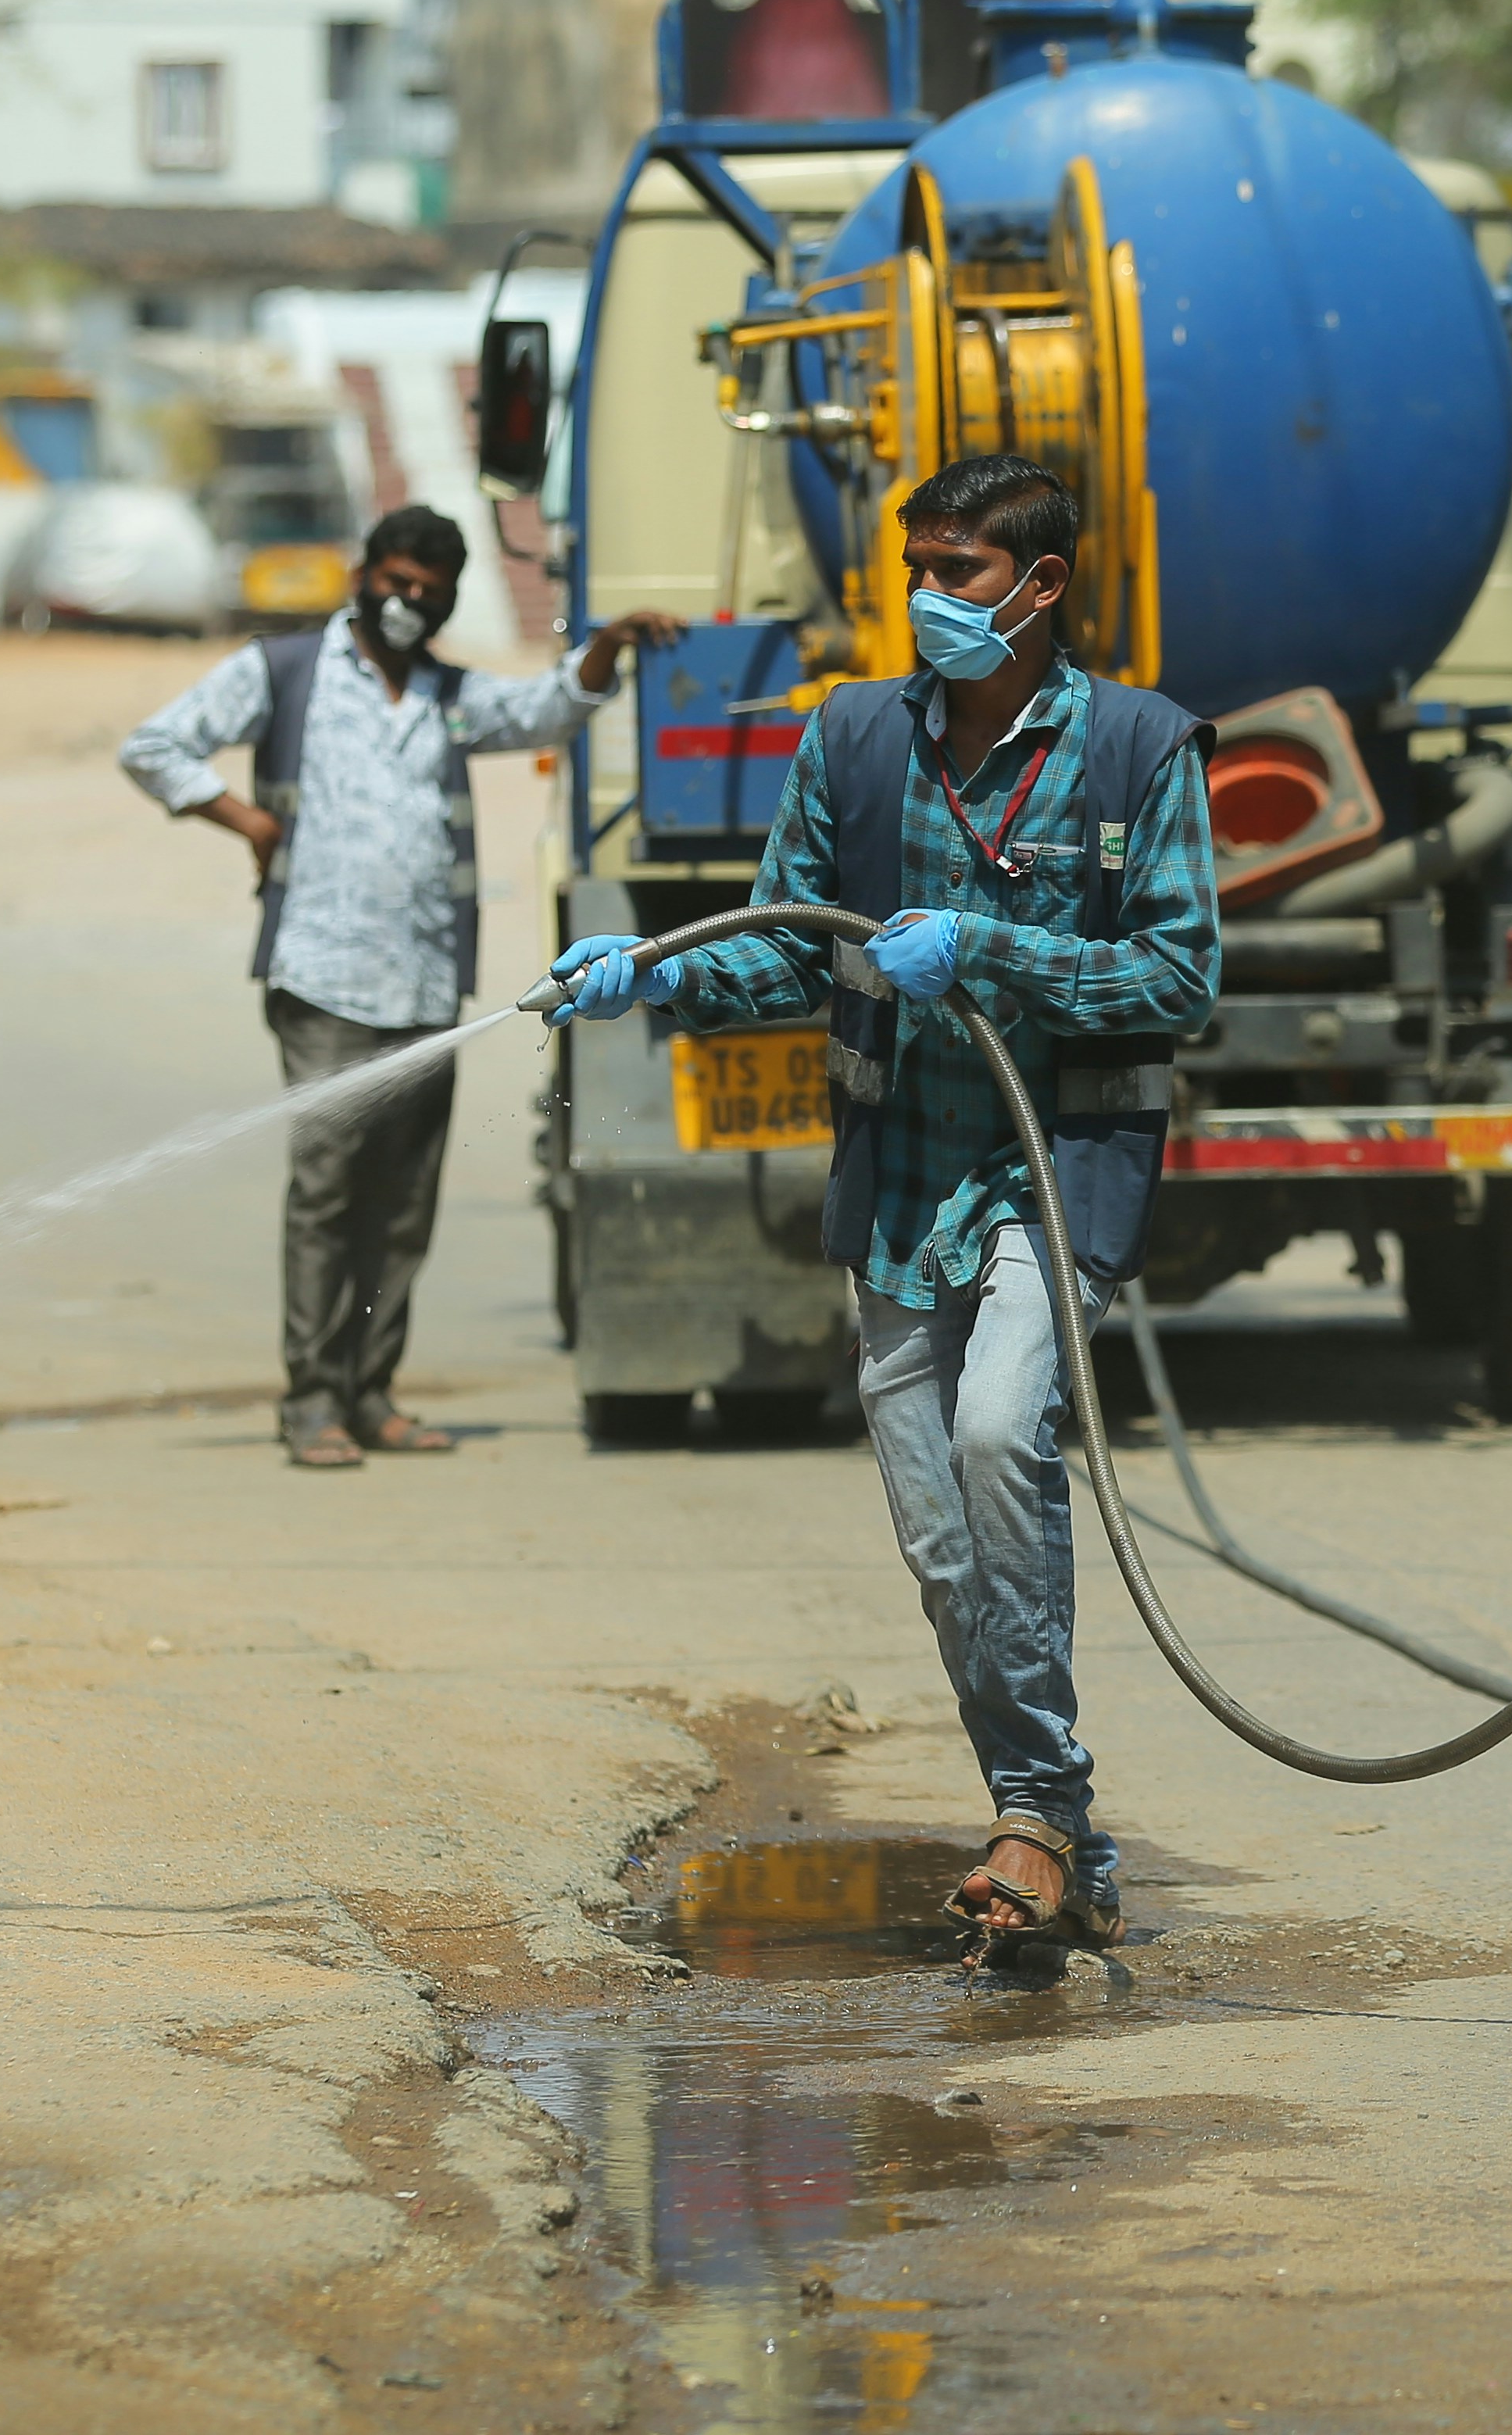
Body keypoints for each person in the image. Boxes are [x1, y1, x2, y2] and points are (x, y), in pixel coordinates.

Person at [546, 453, 1217, 1954]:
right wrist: (647, 979)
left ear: (1041, 588)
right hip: (901, 1177)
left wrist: (987, 952)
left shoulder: (1139, 751)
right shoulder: (854, 736)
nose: (927, 598)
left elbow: (1178, 977)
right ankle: (1056, 1828)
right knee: (939, 1543)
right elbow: (791, 947)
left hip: (1056, 1168)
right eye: (915, 568)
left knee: (999, 1436)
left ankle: (1034, 1824)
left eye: (961, 573)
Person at [122, 506, 677, 1470]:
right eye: (397, 580)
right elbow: (156, 747)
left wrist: (607, 650)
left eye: (432, 590)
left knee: (402, 1204)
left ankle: (372, 1391)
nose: (410, 601)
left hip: (423, 985)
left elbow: (543, 711)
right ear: (363, 574)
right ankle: (312, 1400)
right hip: (322, 978)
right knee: (330, 1195)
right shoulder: (285, 672)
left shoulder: (446, 695)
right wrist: (249, 825)